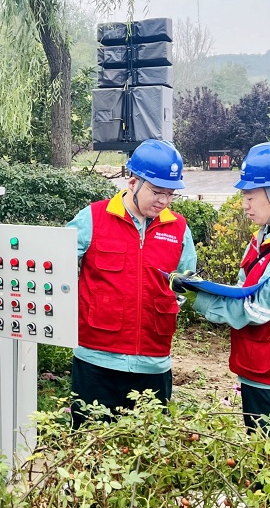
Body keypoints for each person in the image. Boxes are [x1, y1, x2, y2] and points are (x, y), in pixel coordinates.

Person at [181, 142, 270, 444]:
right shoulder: (266, 236)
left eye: (250, 196)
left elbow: (256, 309)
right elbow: (242, 288)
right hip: (261, 370)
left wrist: (198, 298)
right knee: (262, 460)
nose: (244, 204)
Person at [68, 139, 197, 426]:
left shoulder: (178, 228)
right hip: (96, 360)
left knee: (146, 447)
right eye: (156, 191)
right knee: (88, 443)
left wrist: (167, 308)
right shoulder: (93, 218)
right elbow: (56, 266)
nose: (163, 200)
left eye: (170, 194)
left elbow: (187, 283)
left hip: (153, 362)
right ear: (132, 182)